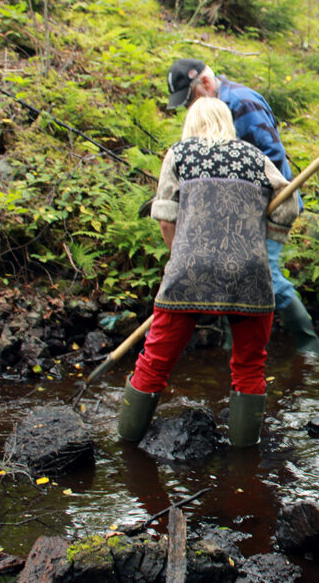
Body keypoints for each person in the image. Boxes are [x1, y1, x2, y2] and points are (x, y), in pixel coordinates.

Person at [117, 97, 299, 447]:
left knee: (154, 362)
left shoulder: (179, 154)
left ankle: (126, 446)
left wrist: (179, 257)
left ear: (191, 123)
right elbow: (288, 204)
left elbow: (166, 215)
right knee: (249, 367)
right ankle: (245, 461)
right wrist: (268, 235)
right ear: (227, 123)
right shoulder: (256, 158)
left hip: (189, 272)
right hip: (249, 273)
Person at [165, 58, 319, 356]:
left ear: (205, 83)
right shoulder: (212, 112)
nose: (190, 108)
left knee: (266, 276)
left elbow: (272, 159)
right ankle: (232, 350)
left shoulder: (241, 102)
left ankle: (311, 347)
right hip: (233, 215)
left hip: (267, 208)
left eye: (190, 99)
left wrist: (257, 208)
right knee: (230, 277)